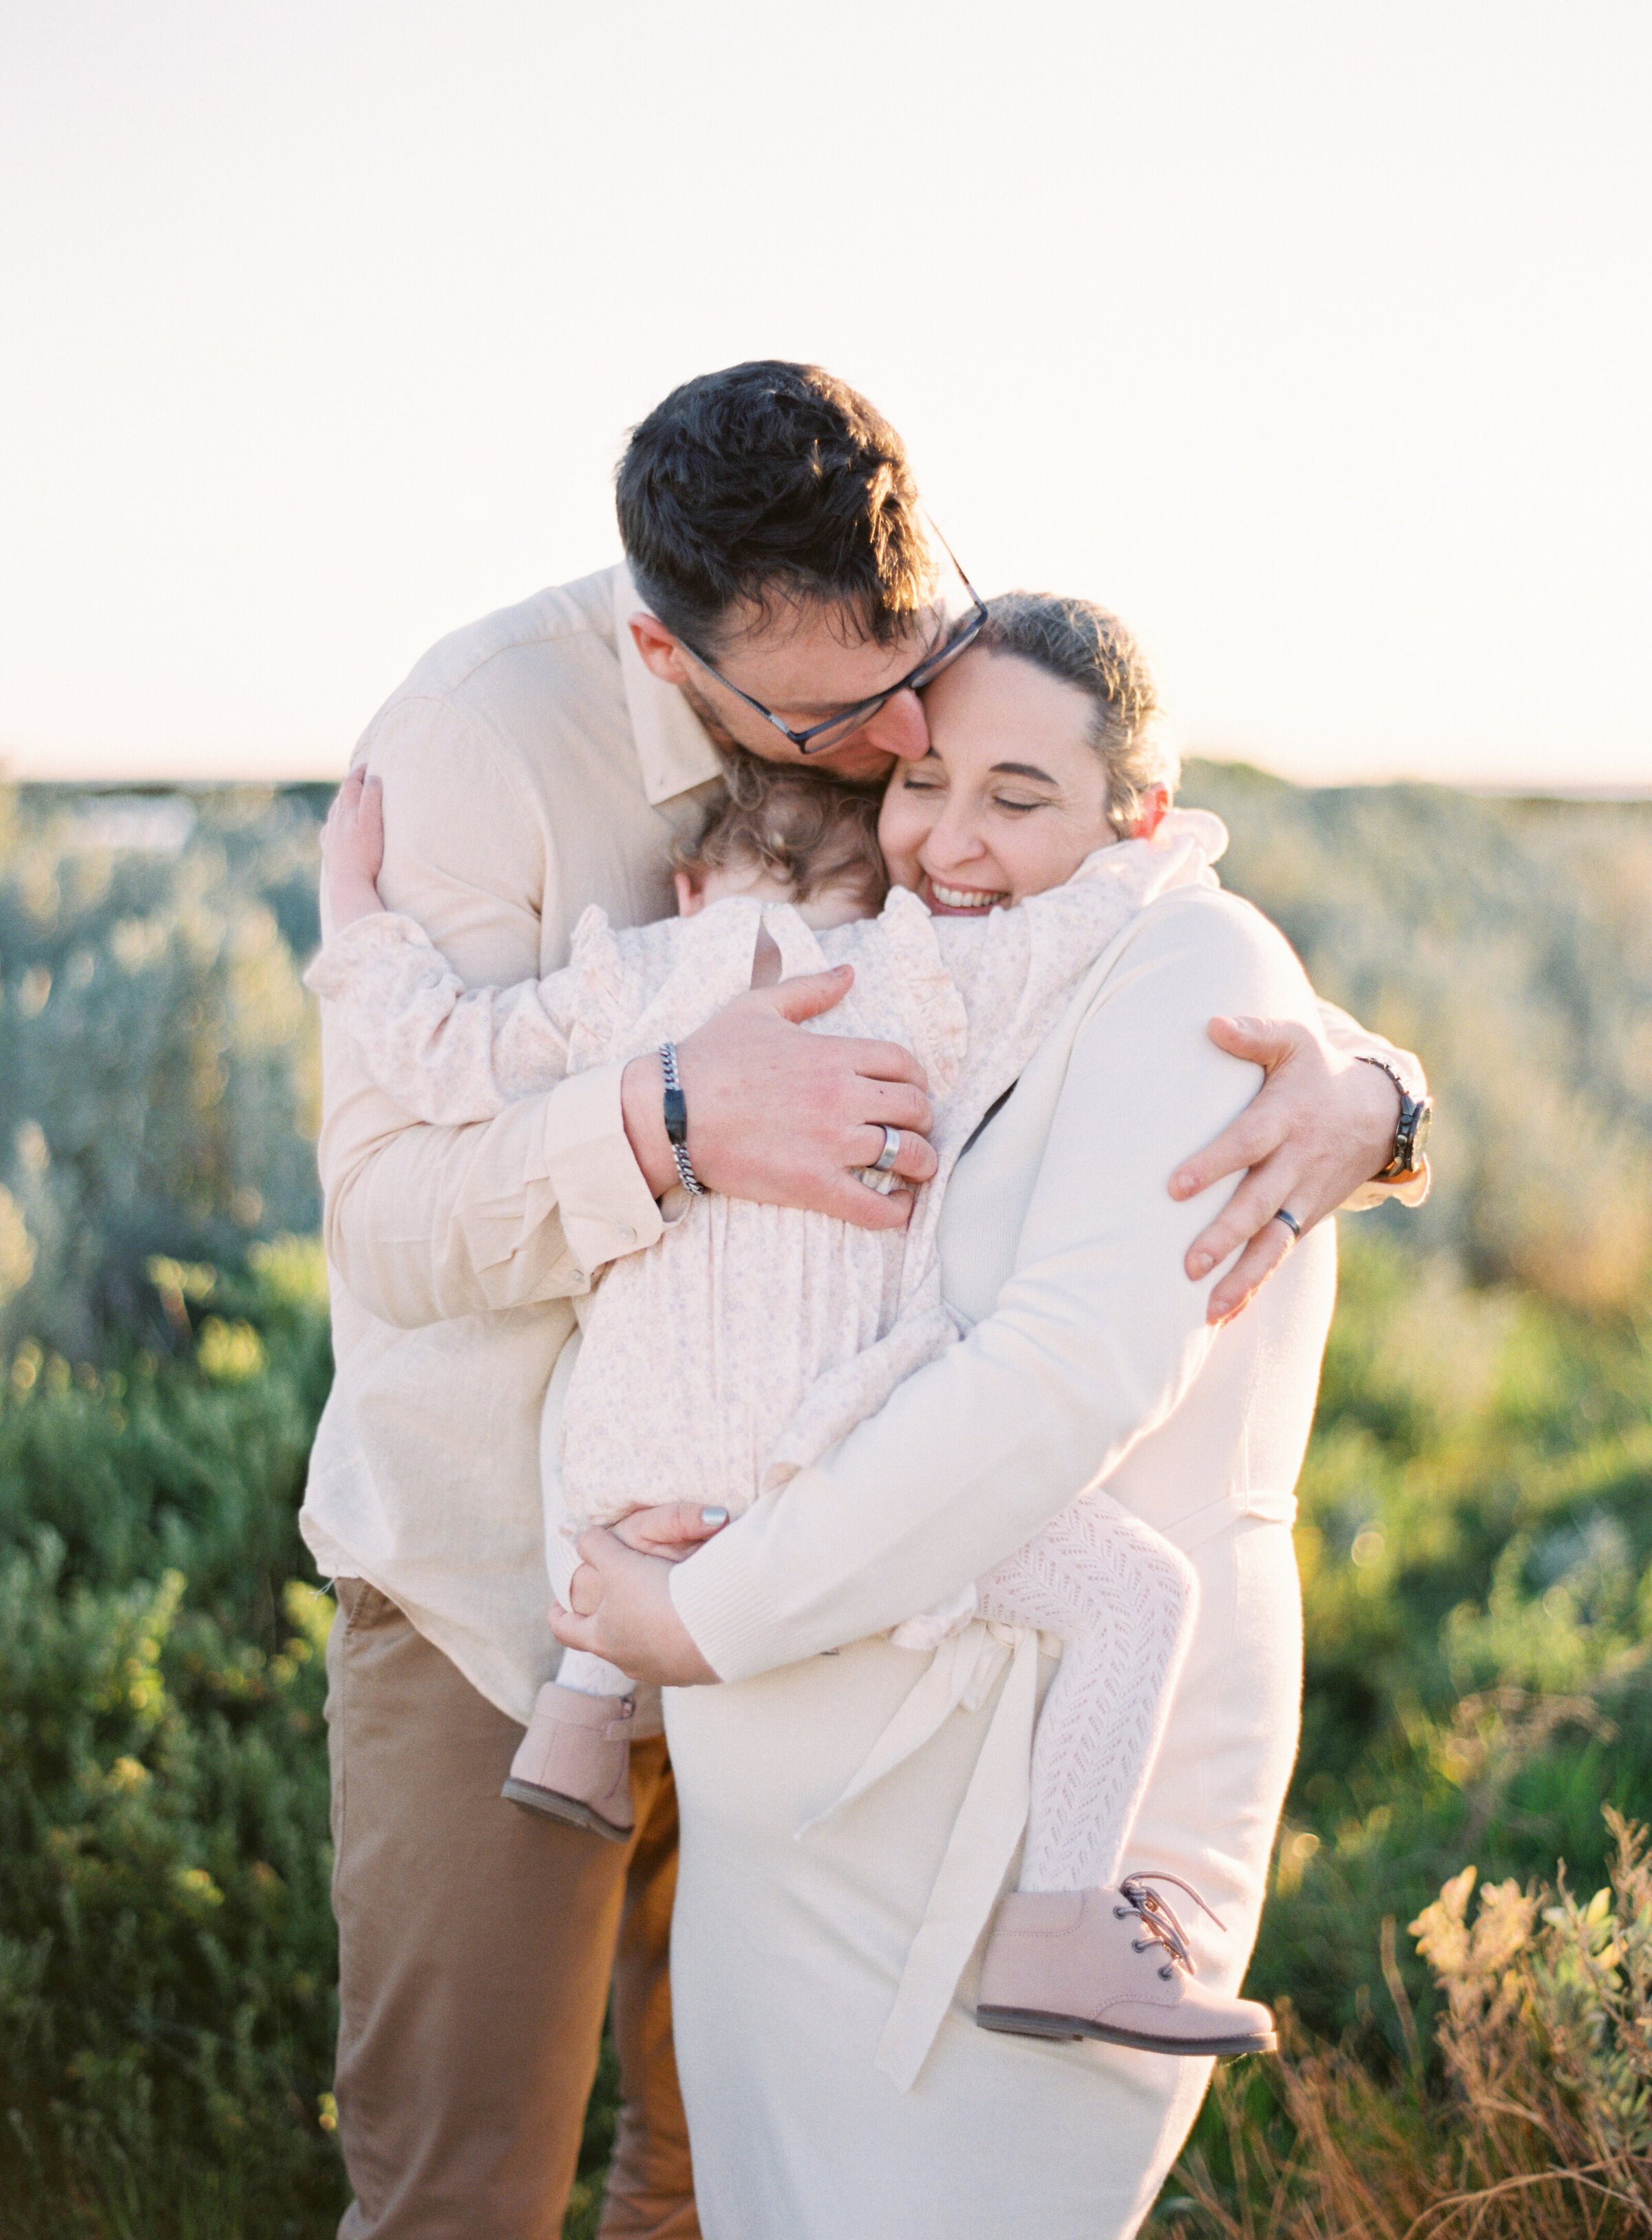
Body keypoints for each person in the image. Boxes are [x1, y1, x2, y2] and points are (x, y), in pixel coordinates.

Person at [304, 361, 1429, 2239]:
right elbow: (392, 1221)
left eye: (922, 664)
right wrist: (674, 1117)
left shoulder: (923, 670)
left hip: (810, 1595)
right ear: (673, 657)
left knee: (706, 2176)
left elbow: (1117, 888)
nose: (904, 733)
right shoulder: (476, 747)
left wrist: (1371, 1082)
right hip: (516, 1590)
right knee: (460, 2188)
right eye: (848, 714)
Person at [308, 603, 1272, 2064]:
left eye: (998, 797)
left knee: (684, 2145)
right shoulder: (936, 975)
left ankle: (586, 1710)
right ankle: (1065, 1919)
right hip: (817, 1469)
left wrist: (351, 927)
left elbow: (448, 1044)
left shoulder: (641, 973)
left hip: (623, 1495)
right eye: (914, 788)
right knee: (1136, 1600)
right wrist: (1220, 908)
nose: (946, 844)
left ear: (686, 886)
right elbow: (1145, 921)